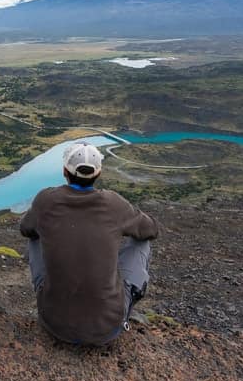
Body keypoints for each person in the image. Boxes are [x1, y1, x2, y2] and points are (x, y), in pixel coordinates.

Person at [20, 141, 159, 346]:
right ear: (98, 173)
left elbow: (26, 228)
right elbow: (151, 230)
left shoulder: (46, 200)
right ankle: (125, 298)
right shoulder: (114, 203)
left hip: (53, 323)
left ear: (65, 171)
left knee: (35, 238)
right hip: (107, 327)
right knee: (141, 243)